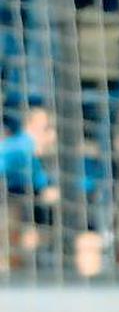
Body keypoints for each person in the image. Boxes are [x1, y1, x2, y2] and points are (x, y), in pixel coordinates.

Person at [0, 107, 58, 270]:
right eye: (47, 128)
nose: (52, 135)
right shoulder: (19, 149)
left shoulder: (34, 156)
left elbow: (42, 187)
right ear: (29, 126)